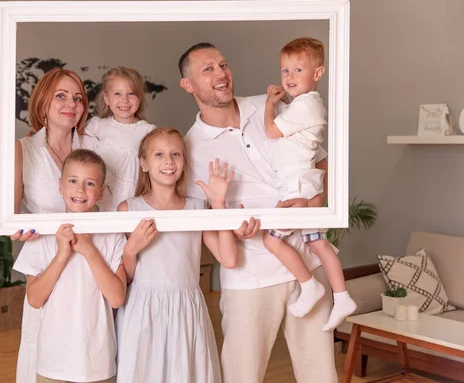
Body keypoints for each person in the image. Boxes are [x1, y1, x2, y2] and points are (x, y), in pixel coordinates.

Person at [180, 42, 338, 383]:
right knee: (243, 376)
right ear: (188, 84)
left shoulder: (271, 105)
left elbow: (320, 161)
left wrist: (315, 201)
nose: (221, 73)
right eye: (208, 69)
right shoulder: (189, 148)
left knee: (321, 375)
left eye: (223, 64)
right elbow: (200, 217)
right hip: (250, 277)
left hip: (307, 264)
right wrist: (230, 231)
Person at [115, 127, 237, 383]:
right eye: (158, 154)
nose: (168, 161)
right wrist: (131, 248)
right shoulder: (129, 209)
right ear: (144, 164)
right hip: (143, 309)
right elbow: (125, 277)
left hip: (186, 308)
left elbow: (228, 258)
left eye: (175, 154)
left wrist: (219, 205)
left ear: (184, 161)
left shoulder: (196, 207)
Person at [11, 68, 102, 383]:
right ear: (43, 103)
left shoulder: (95, 148)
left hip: (89, 259)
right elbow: (10, 214)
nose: (71, 104)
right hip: (46, 259)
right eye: (61, 95)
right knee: (44, 349)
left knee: (90, 347)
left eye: (78, 98)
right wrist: (17, 227)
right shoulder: (22, 149)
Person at [262, 37, 356, 331]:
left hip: (297, 187)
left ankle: (309, 284)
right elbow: (295, 122)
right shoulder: (307, 104)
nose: (289, 77)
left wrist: (269, 105)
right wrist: (285, 101)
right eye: (285, 70)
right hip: (304, 183)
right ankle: (341, 296)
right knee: (317, 242)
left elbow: (272, 131)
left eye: (297, 70)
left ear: (318, 73)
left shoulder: (304, 108)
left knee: (271, 239)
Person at [13, 149, 127, 383]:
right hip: (53, 362)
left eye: (90, 183)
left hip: (98, 362)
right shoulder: (42, 232)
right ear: (60, 186)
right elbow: (34, 299)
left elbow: (117, 298)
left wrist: (88, 249)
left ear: (102, 191)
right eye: (73, 181)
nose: (80, 190)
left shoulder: (111, 233)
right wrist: (62, 255)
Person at [83, 67, 156, 211]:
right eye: (117, 93)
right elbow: (75, 144)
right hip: (104, 197)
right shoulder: (98, 125)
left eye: (131, 94)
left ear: (140, 98)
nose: (125, 100)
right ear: (106, 98)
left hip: (135, 198)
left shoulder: (148, 131)